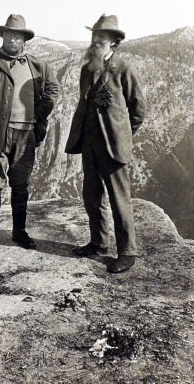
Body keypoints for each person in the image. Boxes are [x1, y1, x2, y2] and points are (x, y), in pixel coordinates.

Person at [0, 14, 60, 253]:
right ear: (3, 37)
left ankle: (19, 232)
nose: (12, 40)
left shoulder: (39, 66)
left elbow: (53, 90)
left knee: (20, 185)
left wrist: (39, 114)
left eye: (17, 36)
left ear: (24, 40)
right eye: (9, 35)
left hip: (26, 134)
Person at [65, 14, 145, 273]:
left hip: (113, 147)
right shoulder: (87, 69)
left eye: (102, 38)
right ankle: (99, 243)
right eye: (95, 37)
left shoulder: (123, 69)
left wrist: (122, 134)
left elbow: (138, 110)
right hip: (89, 144)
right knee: (92, 196)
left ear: (114, 43)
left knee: (119, 198)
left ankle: (127, 252)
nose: (96, 42)